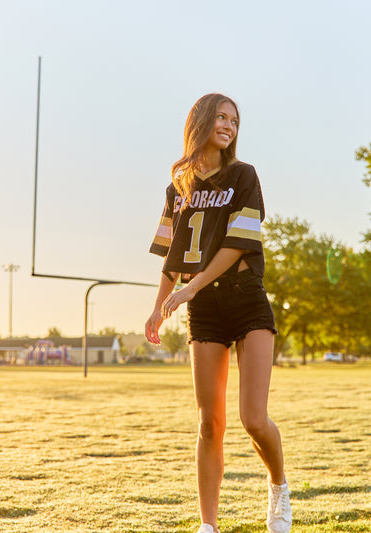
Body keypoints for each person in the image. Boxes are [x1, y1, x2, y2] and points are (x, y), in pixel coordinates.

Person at [145, 93, 291, 533]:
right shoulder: (178, 189)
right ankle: (207, 526)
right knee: (210, 423)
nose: (228, 124)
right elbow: (172, 255)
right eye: (221, 117)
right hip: (204, 308)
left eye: (234, 119)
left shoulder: (243, 175)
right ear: (201, 122)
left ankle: (279, 487)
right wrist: (158, 308)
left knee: (252, 418)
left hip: (246, 298)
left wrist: (190, 287)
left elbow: (236, 245)